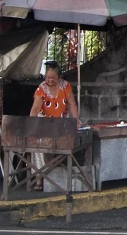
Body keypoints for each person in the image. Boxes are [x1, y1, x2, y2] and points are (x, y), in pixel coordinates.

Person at [29, 61, 81, 190]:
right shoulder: (42, 88)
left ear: (59, 77)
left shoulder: (66, 86)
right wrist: (31, 125)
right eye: (47, 77)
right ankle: (39, 179)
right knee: (37, 148)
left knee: (64, 145)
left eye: (53, 78)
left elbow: (72, 104)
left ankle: (55, 175)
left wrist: (76, 121)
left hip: (61, 124)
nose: (50, 80)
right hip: (44, 124)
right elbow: (35, 109)